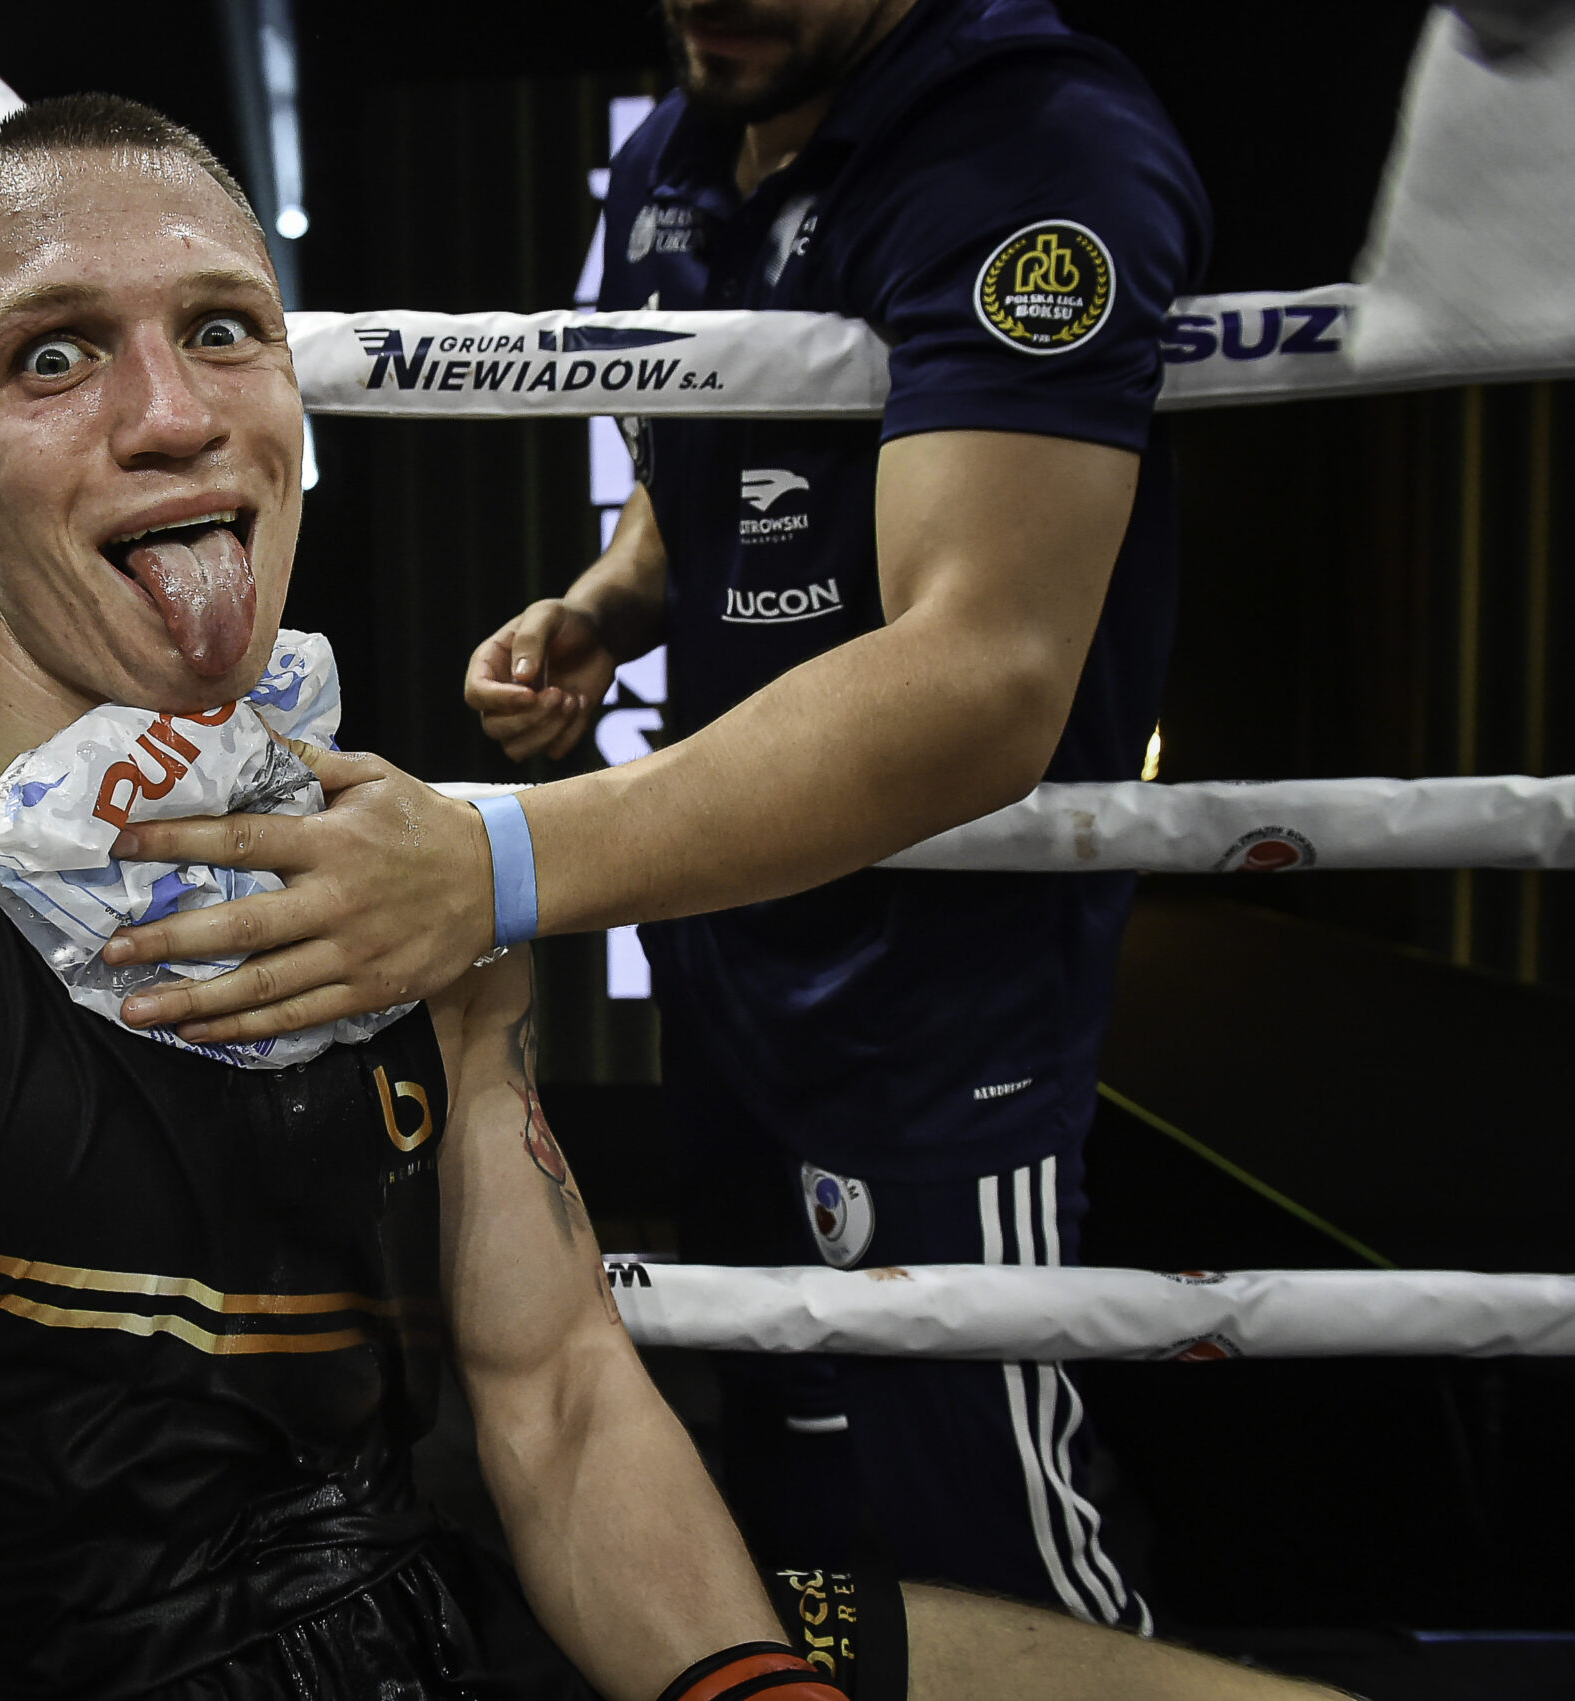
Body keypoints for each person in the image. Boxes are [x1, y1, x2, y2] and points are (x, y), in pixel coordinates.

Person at [0, 94, 1332, 1701]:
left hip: (455, 1626)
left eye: (222, 331)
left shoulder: (400, 862)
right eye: (55, 356)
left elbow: (558, 1394)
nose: (171, 415)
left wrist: (743, 1688)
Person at [96, 0, 1205, 1629]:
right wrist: (610, 605)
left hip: (943, 986)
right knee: (783, 1512)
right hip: (730, 954)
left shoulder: (1034, 147)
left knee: (986, 1539)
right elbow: (701, 476)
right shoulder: (686, 142)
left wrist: (498, 859)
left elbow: (986, 672)